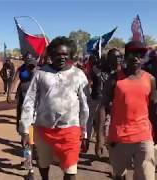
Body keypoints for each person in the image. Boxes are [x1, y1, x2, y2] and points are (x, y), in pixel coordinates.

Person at [19, 36, 89, 180]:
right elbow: (29, 101)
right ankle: (38, 174)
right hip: (43, 129)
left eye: (65, 54)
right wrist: (25, 130)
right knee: (43, 164)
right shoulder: (40, 74)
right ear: (51, 55)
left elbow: (85, 106)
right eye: (58, 54)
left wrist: (85, 131)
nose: (62, 57)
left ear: (70, 55)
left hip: (71, 130)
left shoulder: (79, 75)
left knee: (71, 172)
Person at [96, 41, 156, 180]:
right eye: (132, 54)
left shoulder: (150, 79)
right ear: (126, 56)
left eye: (140, 54)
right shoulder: (114, 78)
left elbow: (153, 108)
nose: (136, 58)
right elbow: (103, 107)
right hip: (118, 138)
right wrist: (99, 137)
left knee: (146, 176)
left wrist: (155, 131)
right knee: (119, 176)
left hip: (143, 137)